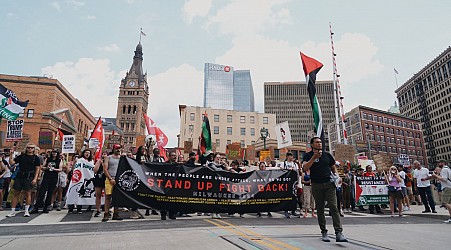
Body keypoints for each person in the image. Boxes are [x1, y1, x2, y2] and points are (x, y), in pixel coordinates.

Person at [302, 137, 347, 242]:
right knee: (320, 209)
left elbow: (333, 167)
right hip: (316, 185)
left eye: (320, 142)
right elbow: (305, 168)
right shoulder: (308, 155)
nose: (319, 144)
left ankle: (339, 232)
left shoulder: (327, 155)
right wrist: (313, 158)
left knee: (334, 207)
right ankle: (324, 231)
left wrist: (337, 176)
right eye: (317, 142)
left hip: (329, 184)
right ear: (312, 145)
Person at [6, 143, 41, 217]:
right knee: (16, 193)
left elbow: (37, 169)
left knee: (28, 193)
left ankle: (26, 211)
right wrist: (11, 155)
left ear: (34, 149)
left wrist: (35, 178)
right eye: (29, 147)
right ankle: (12, 211)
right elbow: (12, 163)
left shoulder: (36, 158)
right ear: (26, 148)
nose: (30, 149)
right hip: (19, 176)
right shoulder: (21, 156)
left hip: (29, 176)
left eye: (32, 148)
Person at [31, 149, 63, 214]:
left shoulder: (59, 160)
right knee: (41, 192)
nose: (54, 154)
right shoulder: (48, 159)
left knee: (50, 193)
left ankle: (46, 207)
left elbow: (60, 169)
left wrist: (54, 169)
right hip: (46, 177)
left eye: (55, 152)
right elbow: (42, 167)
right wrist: (47, 168)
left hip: (54, 177)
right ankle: (36, 207)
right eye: (53, 152)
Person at [102, 145, 123, 222]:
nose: (118, 150)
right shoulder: (108, 158)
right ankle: (106, 213)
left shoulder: (121, 158)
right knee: (108, 196)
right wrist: (110, 178)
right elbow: (105, 169)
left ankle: (116, 213)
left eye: (119, 149)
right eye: (116, 148)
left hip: (118, 180)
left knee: (117, 197)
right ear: (113, 149)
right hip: (109, 179)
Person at [279, 152, 301, 218]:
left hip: (293, 183)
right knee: (286, 197)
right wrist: (287, 170)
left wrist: (298, 183)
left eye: (292, 156)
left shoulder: (295, 164)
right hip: (286, 183)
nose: (292, 158)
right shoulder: (283, 164)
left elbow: (297, 174)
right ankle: (286, 211)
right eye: (290, 156)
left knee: (294, 197)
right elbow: (280, 172)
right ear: (287, 156)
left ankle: (293, 211)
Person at [93, 152, 107, 217]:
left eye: (105, 154)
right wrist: (98, 162)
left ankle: (107, 210)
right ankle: (98, 210)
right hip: (99, 179)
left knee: (108, 196)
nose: (104, 155)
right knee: (98, 195)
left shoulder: (108, 161)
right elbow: (95, 170)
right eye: (103, 154)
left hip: (106, 179)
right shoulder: (98, 161)